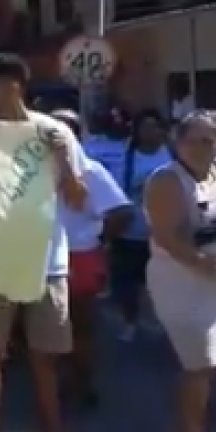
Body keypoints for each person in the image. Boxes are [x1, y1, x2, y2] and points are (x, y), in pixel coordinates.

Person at [0, 54, 99, 432]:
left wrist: (61, 163)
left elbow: (78, 199)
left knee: (46, 360)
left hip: (46, 265)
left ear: (12, 86)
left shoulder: (55, 133)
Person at [144, 110, 216, 432]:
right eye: (195, 140)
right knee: (198, 366)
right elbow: (169, 238)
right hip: (182, 281)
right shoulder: (167, 181)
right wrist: (211, 268)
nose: (203, 147)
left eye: (210, 139)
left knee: (212, 366)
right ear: (178, 143)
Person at [50, 109, 133, 408]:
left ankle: (81, 383)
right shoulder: (31, 171)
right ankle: (59, 381)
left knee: (81, 327)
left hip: (80, 256)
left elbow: (122, 212)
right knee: (49, 329)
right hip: (40, 259)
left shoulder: (91, 171)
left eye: (64, 131)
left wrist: (101, 240)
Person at [108, 110, 171, 341]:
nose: (149, 132)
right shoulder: (127, 157)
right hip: (130, 231)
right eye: (144, 127)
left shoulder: (172, 155)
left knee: (163, 282)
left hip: (164, 232)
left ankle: (165, 321)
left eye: (154, 127)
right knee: (126, 283)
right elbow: (115, 193)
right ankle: (130, 320)